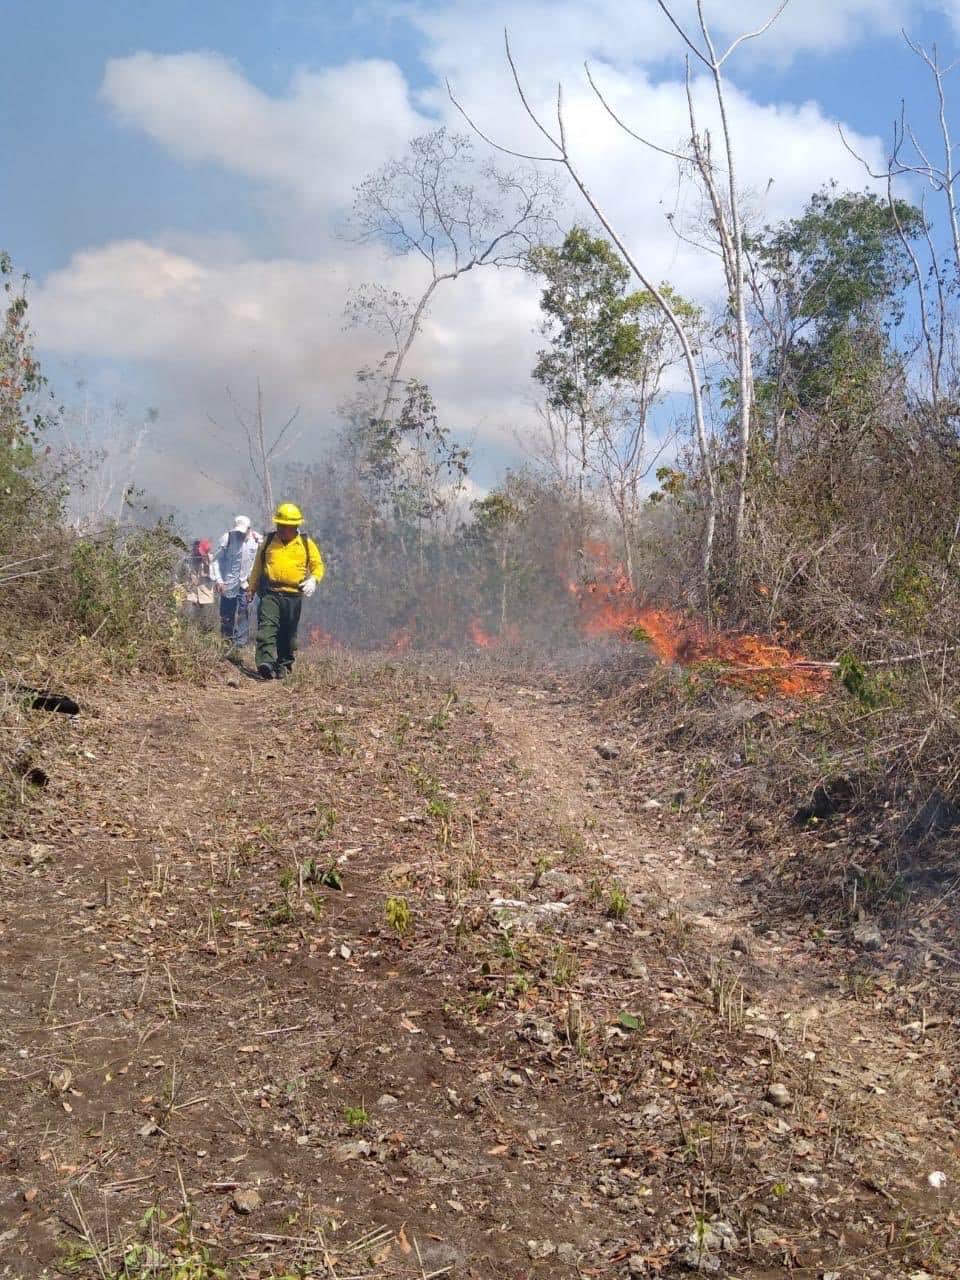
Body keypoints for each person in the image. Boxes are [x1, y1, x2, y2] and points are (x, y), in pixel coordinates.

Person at [247, 502, 324, 680]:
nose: (281, 528)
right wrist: (251, 588)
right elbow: (257, 567)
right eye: (279, 524)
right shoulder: (268, 542)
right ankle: (265, 662)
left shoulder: (305, 543)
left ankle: (284, 665)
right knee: (267, 627)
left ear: (295, 526)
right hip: (271, 593)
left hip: (293, 596)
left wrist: (314, 579)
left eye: (286, 526)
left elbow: (318, 566)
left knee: (288, 634)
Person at [210, 515, 262, 646]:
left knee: (244, 611)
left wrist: (254, 585)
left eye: (243, 531)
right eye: (238, 531)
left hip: (246, 585)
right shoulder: (227, 538)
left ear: (249, 529)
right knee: (227, 614)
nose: (240, 534)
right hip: (228, 584)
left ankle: (240, 645)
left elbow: (260, 563)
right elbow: (216, 561)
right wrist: (219, 580)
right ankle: (226, 642)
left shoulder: (257, 541)